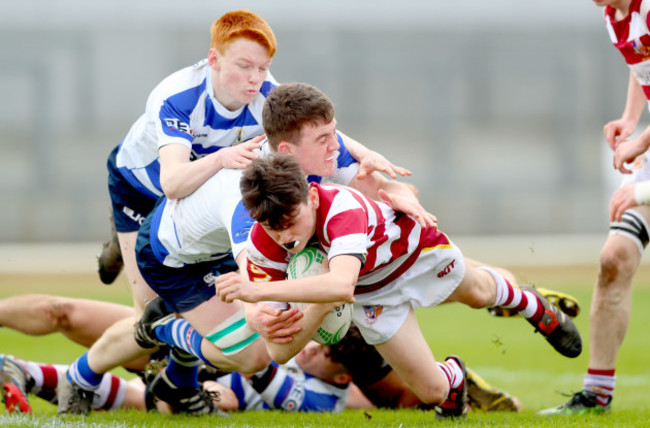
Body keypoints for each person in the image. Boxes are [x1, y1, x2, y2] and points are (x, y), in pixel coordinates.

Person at [58, 79, 428, 416]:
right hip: (171, 258)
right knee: (252, 353)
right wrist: (271, 313)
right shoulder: (251, 207)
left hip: (210, 242)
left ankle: (177, 376)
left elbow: (379, 189)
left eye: (332, 134)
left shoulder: (301, 167)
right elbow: (255, 298)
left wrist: (399, 196)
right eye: (324, 139)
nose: (336, 146)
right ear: (288, 149)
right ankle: (108, 360)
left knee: (249, 340)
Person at [214, 153, 583, 419]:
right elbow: (279, 354)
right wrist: (294, 316)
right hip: (373, 296)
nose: (285, 237)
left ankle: (532, 306)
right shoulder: (266, 242)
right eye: (273, 227)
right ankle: (455, 379)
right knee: (432, 392)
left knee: (480, 294)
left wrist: (259, 292)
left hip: (415, 255)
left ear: (311, 196)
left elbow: (341, 285)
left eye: (291, 220)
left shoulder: (340, 208)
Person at [537, 0, 650, 416]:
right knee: (614, 259)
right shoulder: (613, 15)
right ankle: (596, 395)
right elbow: (643, 62)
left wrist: (641, 142)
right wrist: (630, 118)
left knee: (632, 202)